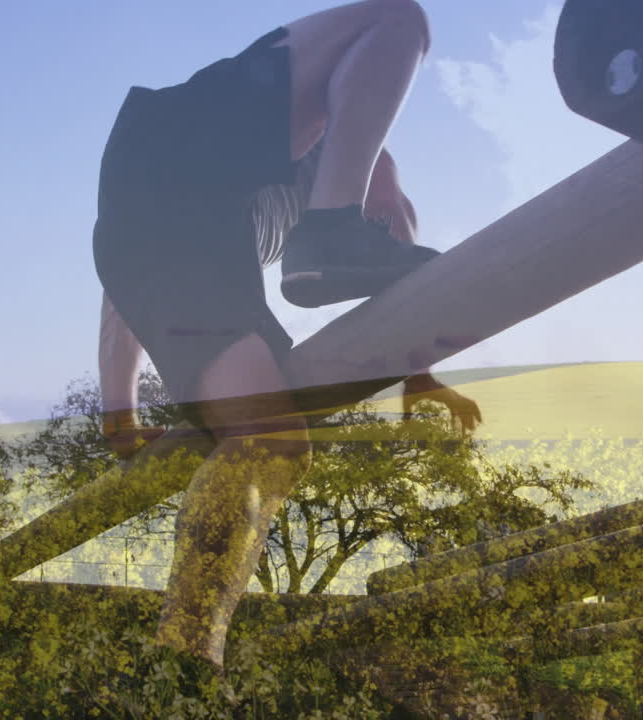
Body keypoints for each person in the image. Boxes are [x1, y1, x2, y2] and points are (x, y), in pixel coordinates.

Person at [90, 0, 481, 683]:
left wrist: (120, 419)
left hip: (176, 227)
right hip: (183, 160)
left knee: (271, 443)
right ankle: (331, 233)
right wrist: (419, 366)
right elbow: (391, 210)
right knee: (397, 18)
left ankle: (183, 663)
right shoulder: (343, 147)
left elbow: (127, 279)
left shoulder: (228, 231)